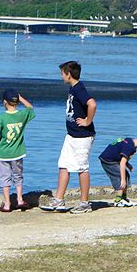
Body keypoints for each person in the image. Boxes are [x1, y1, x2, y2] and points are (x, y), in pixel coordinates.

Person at [40, 60, 96, 214]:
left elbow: (92, 104)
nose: (61, 76)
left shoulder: (79, 89)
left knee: (81, 167)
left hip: (82, 136)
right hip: (71, 135)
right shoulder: (73, 89)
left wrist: (88, 121)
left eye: (62, 73)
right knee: (63, 164)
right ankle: (58, 199)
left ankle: (85, 203)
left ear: (69, 74)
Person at [0, 89, 35, 212]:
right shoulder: (22, 115)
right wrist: (21, 98)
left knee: (5, 178)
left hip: (3, 153)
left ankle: (7, 204)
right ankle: (20, 199)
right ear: (16, 102)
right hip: (18, 152)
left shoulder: (1, 117)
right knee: (18, 176)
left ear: (4, 102)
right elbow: (30, 108)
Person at [98, 131, 137, 206]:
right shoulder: (130, 147)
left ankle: (124, 198)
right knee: (120, 176)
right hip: (108, 160)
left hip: (113, 159)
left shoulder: (130, 142)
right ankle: (118, 200)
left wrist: (128, 165)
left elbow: (121, 156)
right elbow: (122, 163)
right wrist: (123, 179)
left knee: (126, 175)